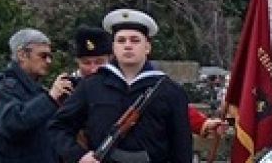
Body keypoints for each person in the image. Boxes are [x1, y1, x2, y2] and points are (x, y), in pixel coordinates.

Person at [48, 9, 193, 163]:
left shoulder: (169, 91)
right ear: (114, 47)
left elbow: (182, 147)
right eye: (121, 40)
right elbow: (58, 127)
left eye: (135, 40)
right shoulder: (91, 86)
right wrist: (78, 155)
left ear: (147, 47)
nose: (128, 46)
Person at [69, 25, 224, 138]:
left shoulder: (126, 80)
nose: (93, 68)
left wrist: (203, 124)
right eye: (86, 62)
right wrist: (53, 98)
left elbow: (166, 106)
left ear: (111, 58)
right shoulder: (68, 88)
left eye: (99, 61)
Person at [0, 28, 74, 163]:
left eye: (50, 56)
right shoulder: (2, 86)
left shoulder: (36, 89)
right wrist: (50, 98)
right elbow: (11, 123)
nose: (49, 61)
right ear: (22, 55)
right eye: (43, 56)